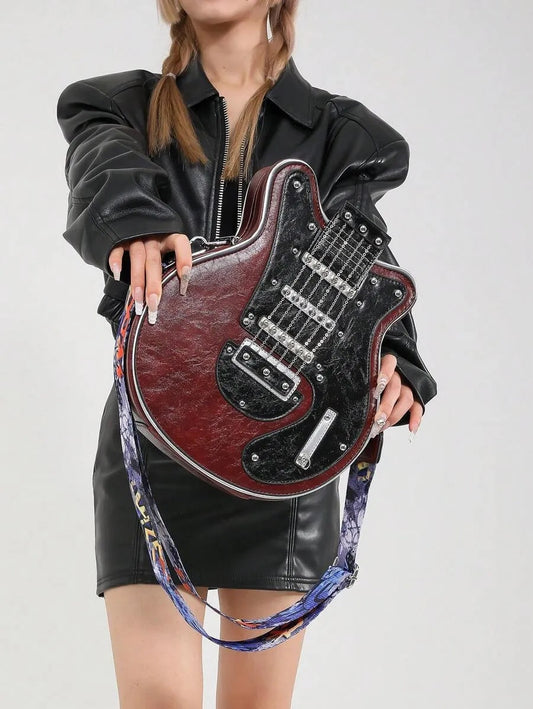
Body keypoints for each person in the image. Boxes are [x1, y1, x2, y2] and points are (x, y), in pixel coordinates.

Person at [56, 1, 437, 706]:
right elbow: (102, 167)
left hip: (281, 453)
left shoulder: (344, 135)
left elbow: (359, 262)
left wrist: (397, 359)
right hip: (154, 438)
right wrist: (134, 219)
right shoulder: (115, 107)